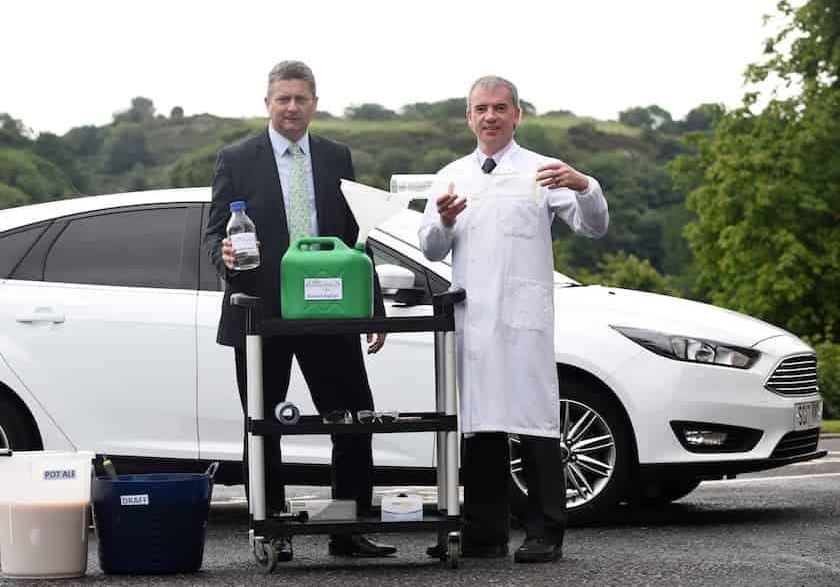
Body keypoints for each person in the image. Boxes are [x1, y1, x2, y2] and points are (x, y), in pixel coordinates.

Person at [203, 60, 394, 560]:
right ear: (267, 102)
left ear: (315, 102)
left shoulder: (336, 156)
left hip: (331, 310)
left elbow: (358, 235)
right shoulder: (236, 156)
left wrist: (372, 303)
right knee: (265, 425)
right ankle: (272, 531)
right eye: (283, 99)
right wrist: (223, 257)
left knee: (353, 420)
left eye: (301, 99)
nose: (292, 107)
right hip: (260, 312)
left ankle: (347, 529)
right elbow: (214, 231)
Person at [418, 75, 609, 562]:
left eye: (500, 108)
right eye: (481, 108)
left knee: (534, 422)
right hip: (475, 319)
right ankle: (485, 534)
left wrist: (585, 185)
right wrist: (442, 220)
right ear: (468, 117)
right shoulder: (451, 175)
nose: (490, 117)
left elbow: (594, 225)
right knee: (481, 425)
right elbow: (431, 247)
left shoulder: (544, 172)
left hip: (524, 319)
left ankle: (546, 532)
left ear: (517, 114)